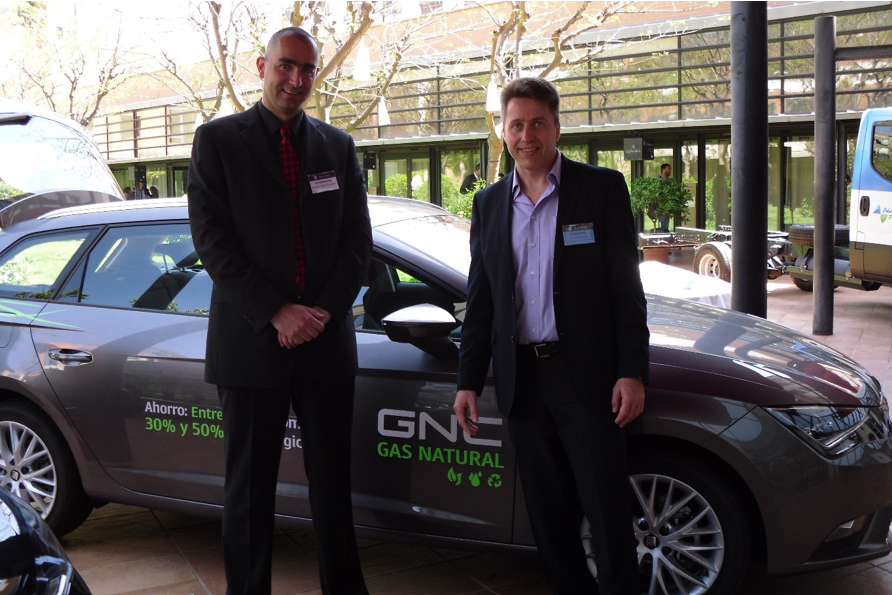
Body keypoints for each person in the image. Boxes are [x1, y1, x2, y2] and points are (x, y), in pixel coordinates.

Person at [187, 27, 371, 595]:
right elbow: (212, 241)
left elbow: (356, 243)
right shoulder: (216, 141)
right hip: (250, 341)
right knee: (248, 490)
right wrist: (276, 312)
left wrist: (319, 313)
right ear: (261, 65)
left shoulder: (337, 147)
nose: (296, 80)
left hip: (324, 341)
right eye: (286, 66)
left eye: (307, 70)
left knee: (333, 488)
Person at [454, 77, 649, 595]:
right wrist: (468, 381)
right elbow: (482, 299)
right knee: (548, 516)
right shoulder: (489, 204)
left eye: (537, 123)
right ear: (503, 132)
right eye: (515, 125)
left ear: (556, 127)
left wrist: (632, 370)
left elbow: (626, 291)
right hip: (522, 381)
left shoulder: (601, 189)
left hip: (586, 377)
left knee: (606, 511)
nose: (526, 135)